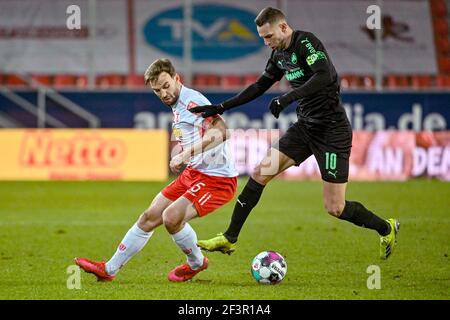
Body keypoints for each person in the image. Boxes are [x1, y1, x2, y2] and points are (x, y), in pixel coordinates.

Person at [191, 7, 400, 260]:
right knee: (259, 173)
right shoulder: (279, 55)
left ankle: (386, 228)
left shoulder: (307, 43)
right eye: (263, 38)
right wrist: (221, 106)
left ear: (283, 27)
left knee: (335, 208)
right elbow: (259, 86)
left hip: (332, 131)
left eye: (268, 36)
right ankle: (229, 237)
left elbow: (324, 76)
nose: (267, 43)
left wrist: (288, 97)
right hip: (305, 127)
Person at [75, 58, 238, 282]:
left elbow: (223, 131)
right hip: (194, 173)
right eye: (156, 90)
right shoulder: (176, 105)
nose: (163, 93)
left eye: (166, 86)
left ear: (176, 78)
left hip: (217, 179)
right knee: (149, 217)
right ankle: (108, 270)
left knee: (171, 218)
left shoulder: (192, 101)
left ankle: (196, 263)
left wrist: (186, 153)